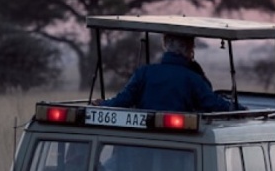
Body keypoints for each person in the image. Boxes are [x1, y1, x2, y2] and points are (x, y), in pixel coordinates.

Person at [95, 33, 239, 112]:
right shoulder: (193, 79)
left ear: (165, 45)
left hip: (144, 142)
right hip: (182, 143)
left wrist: (102, 105)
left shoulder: (144, 72)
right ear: (190, 48)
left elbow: (123, 100)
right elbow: (213, 103)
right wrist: (239, 109)